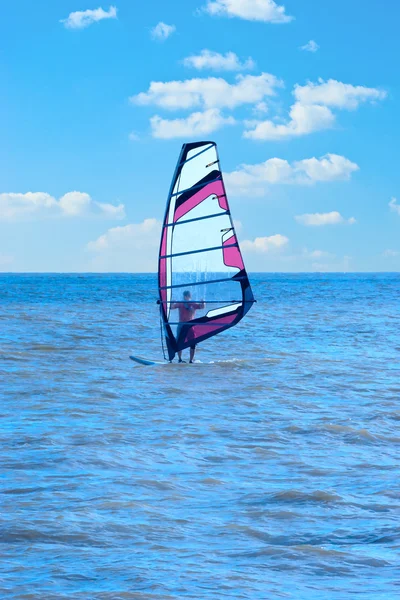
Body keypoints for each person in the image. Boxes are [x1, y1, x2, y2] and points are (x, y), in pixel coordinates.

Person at [170, 291, 205, 363]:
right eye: (185, 296)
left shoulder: (193, 303)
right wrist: (171, 302)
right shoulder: (180, 303)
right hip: (181, 325)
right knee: (179, 341)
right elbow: (171, 308)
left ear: (188, 296)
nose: (185, 298)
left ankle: (191, 360)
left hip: (190, 325)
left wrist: (203, 302)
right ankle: (179, 359)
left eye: (186, 296)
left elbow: (202, 307)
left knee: (193, 342)